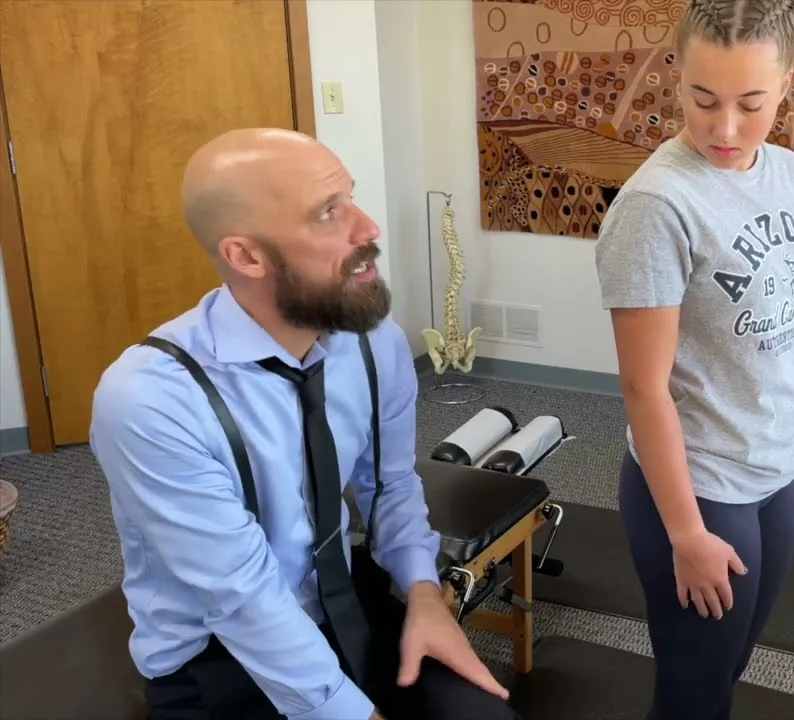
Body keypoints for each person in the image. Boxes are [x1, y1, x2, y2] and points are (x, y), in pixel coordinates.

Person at [90, 128, 518, 720]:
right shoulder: (150, 399)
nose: (368, 228)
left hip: (344, 609)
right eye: (327, 213)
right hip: (220, 657)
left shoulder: (374, 343)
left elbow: (391, 484)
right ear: (246, 256)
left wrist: (423, 591)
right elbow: (242, 599)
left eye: (351, 198)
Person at [593, 1, 794, 718]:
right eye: (703, 100)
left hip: (778, 463)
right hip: (702, 483)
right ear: (678, 78)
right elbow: (644, 389)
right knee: (694, 693)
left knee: (728, 669)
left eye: (751, 104)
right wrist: (687, 533)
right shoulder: (657, 206)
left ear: (786, 84)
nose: (724, 129)